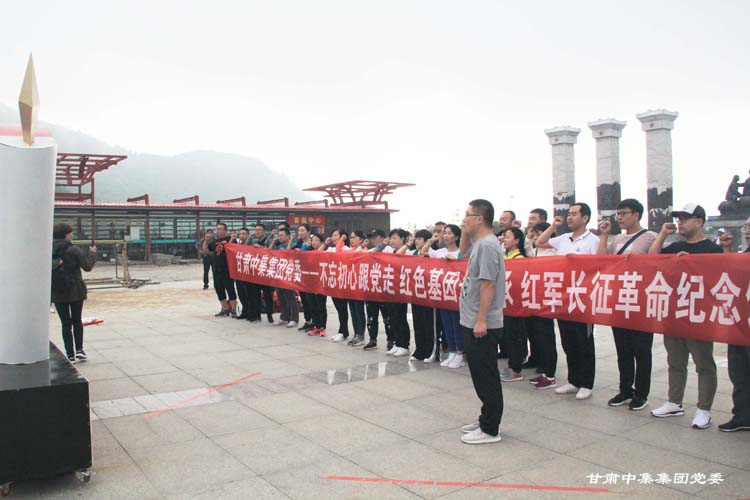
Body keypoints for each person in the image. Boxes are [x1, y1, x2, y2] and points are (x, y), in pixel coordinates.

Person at [649, 203, 722, 429]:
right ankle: (674, 402)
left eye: (685, 218)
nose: (679, 222)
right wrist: (663, 234)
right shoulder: (676, 246)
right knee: (675, 361)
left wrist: (693, 263)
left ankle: (704, 409)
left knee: (703, 363)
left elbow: (719, 279)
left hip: (699, 314)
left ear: (699, 221)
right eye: (678, 218)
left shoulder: (712, 249)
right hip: (675, 312)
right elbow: (651, 259)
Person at [598, 199, 657, 411]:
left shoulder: (650, 237)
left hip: (641, 301)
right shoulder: (617, 239)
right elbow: (601, 260)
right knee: (623, 350)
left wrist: (641, 258)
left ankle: (641, 394)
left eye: (623, 213)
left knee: (641, 351)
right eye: (618, 214)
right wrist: (604, 235)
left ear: (636, 215)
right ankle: (625, 390)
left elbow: (657, 262)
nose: (619, 217)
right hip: (620, 299)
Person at [536, 203, 599, 400]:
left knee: (584, 342)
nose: (570, 217)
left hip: (583, 300)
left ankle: (586, 383)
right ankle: (573, 380)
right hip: (563, 298)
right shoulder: (563, 238)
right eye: (569, 214)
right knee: (568, 341)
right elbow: (540, 242)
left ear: (585, 218)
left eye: (574, 214)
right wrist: (554, 226)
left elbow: (600, 266)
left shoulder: (593, 240)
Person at [458, 199, 505, 445]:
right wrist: (465, 231)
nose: (464, 218)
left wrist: (482, 320)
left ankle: (490, 429)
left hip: (482, 323)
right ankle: (486, 417)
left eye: (468, 215)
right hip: (472, 319)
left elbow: (488, 284)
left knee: (486, 376)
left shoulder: (487, 245)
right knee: (479, 374)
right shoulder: (478, 243)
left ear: (480, 219)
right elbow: (461, 252)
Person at [720, 214, 750, 431]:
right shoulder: (744, 253)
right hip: (739, 323)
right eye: (746, 226)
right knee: (739, 372)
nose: (747, 230)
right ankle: (742, 416)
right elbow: (729, 275)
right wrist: (727, 250)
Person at [51, 223, 97, 363]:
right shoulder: (73, 249)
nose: (72, 235)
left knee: (65, 323)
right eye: (70, 233)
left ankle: (69, 354)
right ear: (66, 235)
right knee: (77, 321)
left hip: (58, 291)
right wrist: (92, 253)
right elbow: (87, 267)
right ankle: (79, 350)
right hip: (75, 291)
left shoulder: (49, 249)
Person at [422, 224, 462, 366]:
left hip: (456, 294)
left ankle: (460, 353)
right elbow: (423, 252)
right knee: (446, 324)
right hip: (442, 294)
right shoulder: (440, 252)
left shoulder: (461, 252)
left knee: (457, 323)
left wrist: (454, 261)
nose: (446, 236)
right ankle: (452, 351)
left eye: (449, 233)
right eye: (444, 233)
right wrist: (431, 240)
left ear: (457, 237)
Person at [499, 228, 528, 382]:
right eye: (504, 236)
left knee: (514, 336)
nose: (504, 239)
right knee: (507, 336)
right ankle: (512, 365)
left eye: (508, 237)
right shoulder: (504, 255)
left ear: (517, 241)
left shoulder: (520, 258)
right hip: (504, 303)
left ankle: (516, 369)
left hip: (515, 304)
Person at [409, 229, 437, 361]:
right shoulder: (412, 253)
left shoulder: (432, 253)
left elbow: (424, 254)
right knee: (417, 322)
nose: (416, 241)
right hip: (416, 293)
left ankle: (430, 351)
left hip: (429, 294)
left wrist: (430, 242)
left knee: (428, 323)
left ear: (426, 240)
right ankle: (419, 349)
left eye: (419, 239)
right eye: (416, 238)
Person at [202, 223, 238, 318]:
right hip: (216, 269)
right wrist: (206, 240)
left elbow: (232, 250)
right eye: (217, 229)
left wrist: (230, 241)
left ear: (225, 230)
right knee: (219, 289)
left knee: (230, 288)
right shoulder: (214, 241)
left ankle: (233, 309)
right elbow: (205, 251)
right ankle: (224, 308)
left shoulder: (230, 239)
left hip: (227, 269)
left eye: (220, 229)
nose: (218, 231)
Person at [385, 229, 412, 357]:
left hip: (402, 289)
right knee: (392, 317)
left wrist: (407, 245)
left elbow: (398, 258)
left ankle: (404, 344)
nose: (392, 241)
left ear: (403, 239)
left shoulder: (407, 252)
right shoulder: (390, 252)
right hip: (391, 289)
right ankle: (397, 342)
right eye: (391, 238)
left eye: (394, 238)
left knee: (400, 317)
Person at [364, 229, 392, 350]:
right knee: (371, 317)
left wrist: (383, 246)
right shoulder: (372, 250)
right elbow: (368, 255)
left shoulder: (390, 250)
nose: (373, 240)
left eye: (375, 237)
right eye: (371, 237)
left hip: (385, 288)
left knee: (387, 317)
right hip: (372, 288)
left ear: (383, 237)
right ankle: (372, 339)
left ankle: (391, 339)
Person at [327, 228, 351, 342]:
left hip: (342, 283)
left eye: (336, 235)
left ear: (343, 237)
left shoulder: (346, 249)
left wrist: (341, 242)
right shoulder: (330, 249)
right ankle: (342, 331)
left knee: (342, 309)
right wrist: (325, 243)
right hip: (333, 282)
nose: (333, 237)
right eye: (333, 235)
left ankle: (343, 331)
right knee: (338, 308)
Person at [272, 227, 299, 328]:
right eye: (279, 235)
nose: (279, 237)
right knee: (281, 296)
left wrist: (291, 240)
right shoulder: (278, 245)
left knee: (290, 297)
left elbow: (288, 253)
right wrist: (273, 241)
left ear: (288, 236)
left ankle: (294, 319)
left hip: (289, 274)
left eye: (282, 235)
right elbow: (268, 251)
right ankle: (284, 317)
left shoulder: (294, 244)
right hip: (279, 273)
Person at [291, 224, 316, 332]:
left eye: (303, 230)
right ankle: (307, 321)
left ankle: (315, 322)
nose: (300, 232)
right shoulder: (299, 243)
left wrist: (303, 252)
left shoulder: (312, 243)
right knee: (304, 300)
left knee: (311, 300)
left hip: (311, 275)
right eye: (299, 230)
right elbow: (289, 251)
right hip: (301, 274)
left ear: (308, 232)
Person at [249, 223, 275, 323]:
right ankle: (257, 315)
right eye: (256, 230)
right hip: (256, 271)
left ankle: (270, 314)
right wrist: (249, 238)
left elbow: (270, 251)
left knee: (268, 295)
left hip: (266, 271)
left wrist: (259, 247)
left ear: (264, 231)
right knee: (255, 294)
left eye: (259, 230)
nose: (257, 232)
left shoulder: (269, 240)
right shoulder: (253, 241)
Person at [346, 230, 368, 346]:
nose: (352, 240)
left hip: (359, 286)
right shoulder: (350, 251)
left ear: (361, 240)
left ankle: (361, 335)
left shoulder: (363, 251)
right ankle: (356, 333)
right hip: (350, 285)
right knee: (353, 310)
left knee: (359, 311)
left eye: (354, 237)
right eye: (351, 237)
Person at [307, 233, 329, 337]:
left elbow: (317, 255)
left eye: (316, 240)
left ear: (321, 242)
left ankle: (323, 327)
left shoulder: (325, 253)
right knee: (313, 306)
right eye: (313, 240)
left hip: (320, 283)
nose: (314, 242)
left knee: (321, 306)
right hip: (310, 283)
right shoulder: (309, 252)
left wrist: (325, 245)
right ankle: (316, 326)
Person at [234, 227, 252, 320]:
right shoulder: (237, 246)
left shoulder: (251, 245)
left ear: (248, 235)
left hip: (248, 273)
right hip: (239, 273)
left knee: (248, 294)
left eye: (243, 234)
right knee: (241, 294)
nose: (241, 236)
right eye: (240, 234)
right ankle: (244, 311)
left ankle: (250, 312)